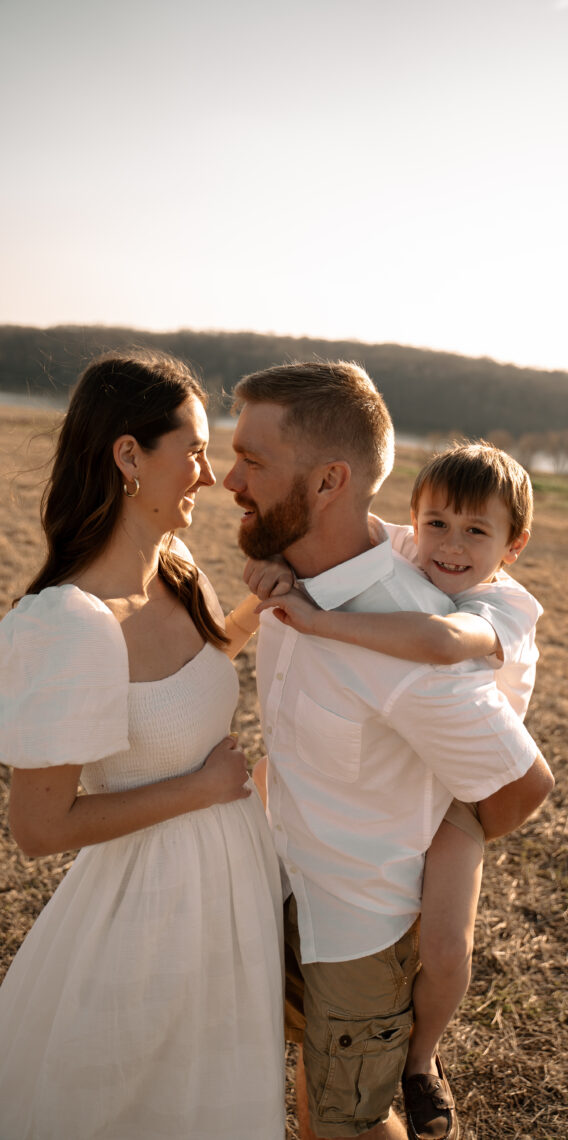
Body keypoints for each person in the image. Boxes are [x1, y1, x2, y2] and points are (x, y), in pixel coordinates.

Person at [222, 360, 554, 1140]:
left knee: (348, 1127)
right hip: (282, 884)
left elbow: (521, 786)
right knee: (311, 1101)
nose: (227, 478)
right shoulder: (291, 578)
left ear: (329, 481)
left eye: (253, 461)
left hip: (362, 928)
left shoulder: (413, 647)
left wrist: (433, 839)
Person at [0, 350, 286, 1139]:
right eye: (193, 450)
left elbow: (177, 683)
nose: (208, 476)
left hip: (232, 881)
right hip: (149, 910)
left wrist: (253, 617)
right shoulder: (68, 625)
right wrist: (199, 789)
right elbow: (38, 828)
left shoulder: (177, 568)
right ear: (129, 454)